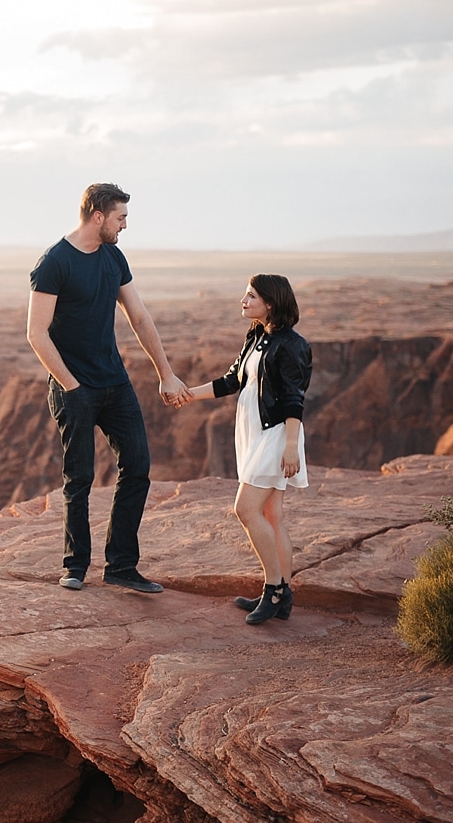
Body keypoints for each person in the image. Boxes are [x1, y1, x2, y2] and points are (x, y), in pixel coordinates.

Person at [27, 184, 189, 596]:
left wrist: (165, 374)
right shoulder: (55, 262)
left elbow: (139, 315)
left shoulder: (113, 257)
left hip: (115, 384)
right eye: (120, 218)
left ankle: (121, 566)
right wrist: (71, 385)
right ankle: (75, 565)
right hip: (73, 387)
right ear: (97, 215)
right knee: (78, 478)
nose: (124, 226)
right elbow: (36, 333)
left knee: (137, 467)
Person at [174, 276, 313, 625]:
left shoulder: (291, 345)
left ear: (271, 302)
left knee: (245, 509)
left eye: (251, 296)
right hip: (256, 434)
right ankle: (283, 595)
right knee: (271, 515)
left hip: (277, 435)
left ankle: (275, 589)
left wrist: (291, 448)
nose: (244, 300)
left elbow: (295, 400)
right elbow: (231, 380)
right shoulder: (257, 336)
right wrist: (187, 394)